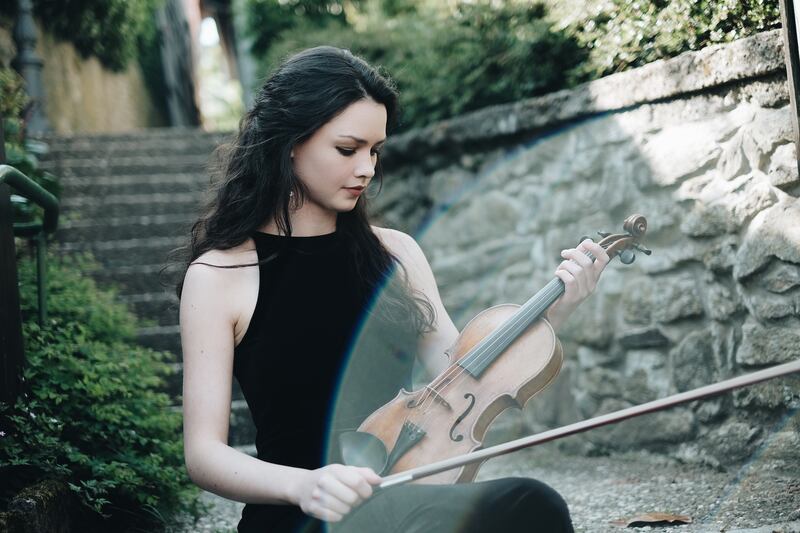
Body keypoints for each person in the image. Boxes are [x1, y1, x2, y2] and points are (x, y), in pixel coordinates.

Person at [178, 46, 611, 533]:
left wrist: (556, 312)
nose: (366, 168)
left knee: (527, 505)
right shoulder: (219, 275)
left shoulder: (396, 254)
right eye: (348, 149)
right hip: (301, 514)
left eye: (374, 150)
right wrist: (304, 485)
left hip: (402, 501)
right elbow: (205, 455)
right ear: (290, 143)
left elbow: (461, 374)